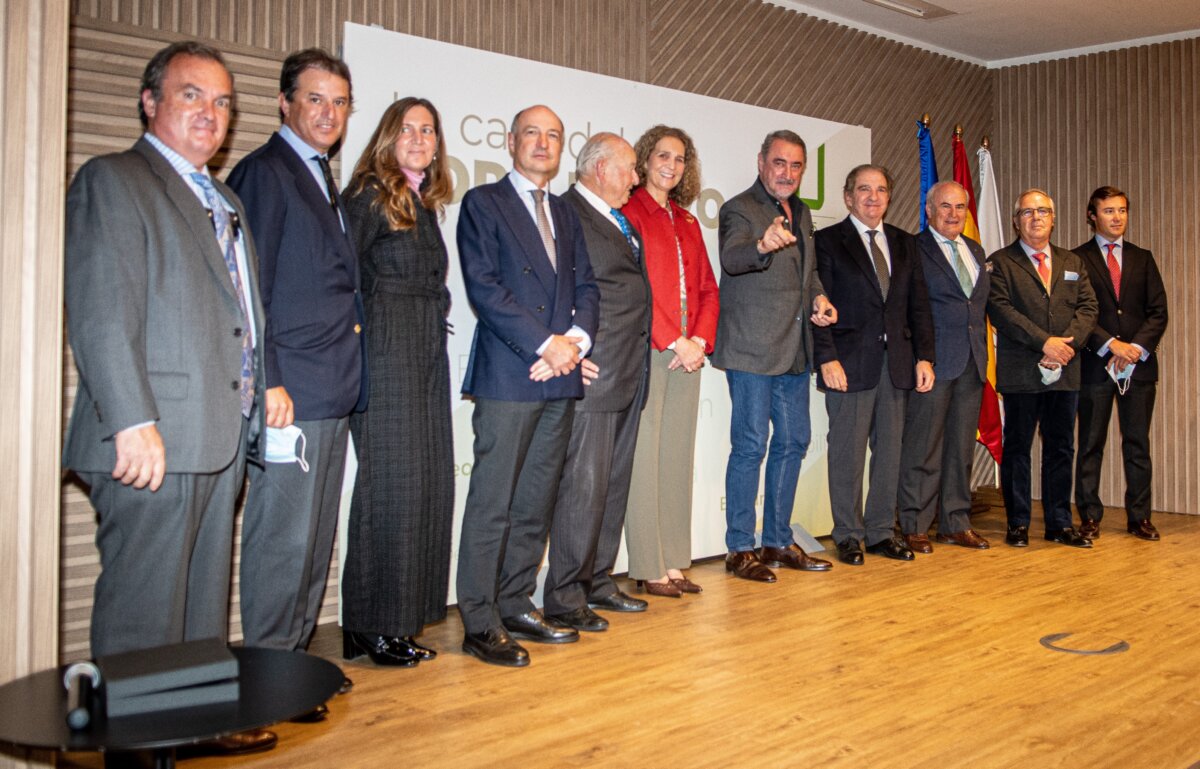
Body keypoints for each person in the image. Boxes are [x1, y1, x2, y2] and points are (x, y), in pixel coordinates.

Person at [62, 41, 275, 754]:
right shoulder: (115, 179)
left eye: (222, 102)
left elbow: (240, 316)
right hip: (152, 436)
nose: (210, 113)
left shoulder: (226, 199)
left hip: (219, 432)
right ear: (149, 101)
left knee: (199, 602)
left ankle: (191, 724)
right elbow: (101, 310)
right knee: (144, 610)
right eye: (192, 95)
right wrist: (131, 418)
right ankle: (134, 747)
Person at [226, 50, 365, 686]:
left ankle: (295, 667)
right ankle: (268, 677)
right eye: (315, 98)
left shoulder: (320, 174)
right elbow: (248, 290)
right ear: (284, 103)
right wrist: (269, 379)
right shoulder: (265, 172)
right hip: (291, 392)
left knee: (312, 542)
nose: (328, 113)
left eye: (339, 102)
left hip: (330, 388)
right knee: (282, 541)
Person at [455, 105, 600, 667]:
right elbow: (485, 288)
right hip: (511, 375)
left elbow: (586, 287)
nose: (543, 143)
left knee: (535, 504)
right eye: (533, 133)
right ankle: (479, 619)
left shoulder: (564, 211)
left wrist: (576, 344)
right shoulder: (483, 203)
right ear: (511, 141)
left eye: (554, 135)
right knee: (493, 504)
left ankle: (516, 602)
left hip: (559, 378)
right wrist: (546, 345)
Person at [340, 97, 455, 665]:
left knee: (425, 486)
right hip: (385, 352)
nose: (418, 138)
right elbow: (342, 278)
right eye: (407, 128)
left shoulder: (421, 201)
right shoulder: (366, 195)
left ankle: (401, 619)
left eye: (427, 130)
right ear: (387, 136)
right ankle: (371, 625)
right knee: (390, 488)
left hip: (424, 350)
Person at [712, 130, 836, 583]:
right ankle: (739, 548)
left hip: (794, 348)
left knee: (794, 442)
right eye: (779, 163)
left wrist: (819, 298)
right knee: (750, 446)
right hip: (751, 349)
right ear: (761, 162)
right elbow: (732, 257)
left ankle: (778, 541)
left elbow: (809, 272)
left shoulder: (801, 212)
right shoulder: (738, 208)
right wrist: (762, 246)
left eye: (796, 165)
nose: (787, 173)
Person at [543, 133, 651, 630]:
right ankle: (566, 597)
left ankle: (598, 580)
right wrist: (570, 348)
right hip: (596, 372)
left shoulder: (617, 218)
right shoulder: (567, 213)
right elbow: (554, 287)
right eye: (630, 168)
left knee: (611, 485)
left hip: (629, 371)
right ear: (602, 168)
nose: (636, 178)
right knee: (583, 490)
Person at [813, 164, 935, 566]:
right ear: (848, 197)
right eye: (864, 189)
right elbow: (817, 304)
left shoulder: (904, 243)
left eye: (881, 190)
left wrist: (925, 357)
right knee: (846, 453)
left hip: (897, 364)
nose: (873, 197)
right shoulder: (827, 241)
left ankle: (882, 532)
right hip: (848, 364)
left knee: (890, 453)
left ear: (889, 197)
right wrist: (826, 356)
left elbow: (919, 305)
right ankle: (848, 534)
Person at [621, 125, 719, 597]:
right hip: (650, 349)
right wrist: (674, 340)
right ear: (644, 160)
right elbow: (634, 289)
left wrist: (698, 340)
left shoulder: (688, 221)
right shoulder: (629, 212)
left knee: (677, 456)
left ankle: (676, 559)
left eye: (680, 158)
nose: (672, 165)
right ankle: (648, 563)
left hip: (688, 355)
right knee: (645, 458)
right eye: (663, 155)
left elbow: (708, 289)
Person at [987, 188, 1098, 548]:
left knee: (1061, 448)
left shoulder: (1072, 261)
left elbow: (1088, 309)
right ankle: (1018, 522)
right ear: (1016, 221)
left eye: (1043, 211)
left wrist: (1065, 348)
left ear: (1053, 219)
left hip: (1065, 370)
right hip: (1021, 371)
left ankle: (1059, 523)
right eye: (1027, 212)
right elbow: (1001, 310)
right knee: (1018, 448)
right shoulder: (1000, 262)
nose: (1036, 218)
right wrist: (1044, 343)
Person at [896, 181, 992, 552]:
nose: (953, 214)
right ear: (929, 210)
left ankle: (955, 522)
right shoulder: (913, 248)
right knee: (923, 447)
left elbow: (975, 306)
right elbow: (908, 307)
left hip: (972, 361)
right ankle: (914, 524)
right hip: (933, 363)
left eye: (960, 207)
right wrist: (921, 356)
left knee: (960, 449)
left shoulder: (974, 249)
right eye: (945, 206)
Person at [1073, 186, 1168, 541]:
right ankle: (1089, 516)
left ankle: (1140, 517)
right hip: (1095, 365)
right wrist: (1111, 345)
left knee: (1137, 444)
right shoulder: (1076, 259)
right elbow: (1078, 313)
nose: (1117, 217)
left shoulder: (1143, 258)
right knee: (1090, 444)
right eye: (1109, 211)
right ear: (1092, 216)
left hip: (1138, 367)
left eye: (1122, 210)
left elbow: (1158, 312)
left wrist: (1135, 349)